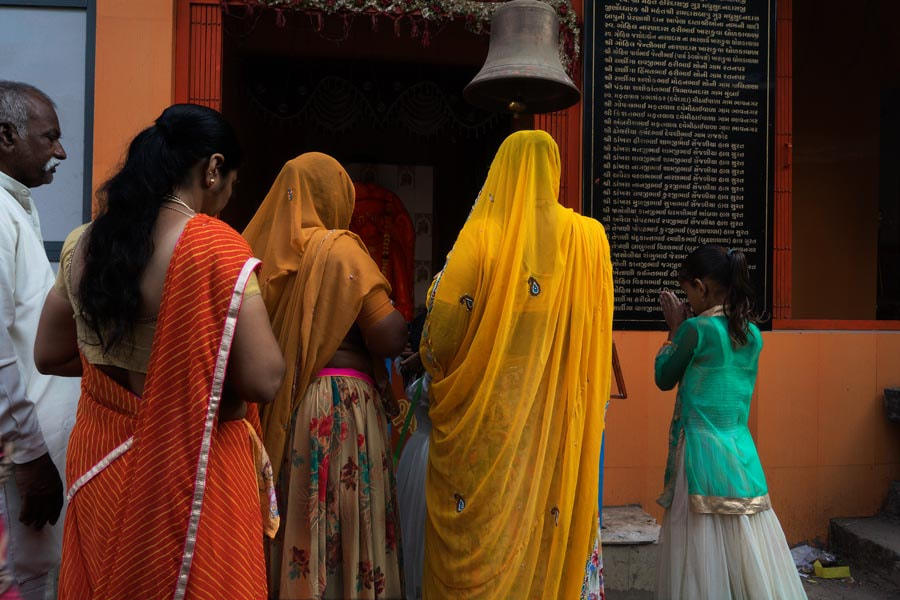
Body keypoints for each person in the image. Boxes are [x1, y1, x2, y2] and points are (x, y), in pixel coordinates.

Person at [33, 104, 285, 599]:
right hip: (192, 469)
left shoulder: (83, 243)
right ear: (213, 169)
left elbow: (49, 354)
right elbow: (263, 379)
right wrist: (185, 391)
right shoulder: (213, 246)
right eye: (232, 182)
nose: (227, 199)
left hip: (99, 462)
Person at [419, 130, 613, 599]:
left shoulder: (483, 236)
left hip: (490, 416)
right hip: (560, 410)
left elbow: (439, 333)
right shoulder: (590, 239)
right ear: (555, 172)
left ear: (499, 173)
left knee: (489, 525)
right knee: (550, 510)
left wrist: (440, 364)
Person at [243, 152, 406, 600]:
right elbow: (387, 336)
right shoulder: (340, 249)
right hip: (342, 408)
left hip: (286, 412)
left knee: (300, 516)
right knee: (350, 520)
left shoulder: (256, 253)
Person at [654, 244, 806, 599]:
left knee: (698, 546)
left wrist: (675, 329)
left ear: (701, 286)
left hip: (700, 454)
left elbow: (663, 377)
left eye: (688, 291)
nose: (687, 301)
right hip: (741, 454)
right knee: (746, 539)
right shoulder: (751, 334)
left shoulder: (697, 330)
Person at [0, 80, 80, 600]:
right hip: (21, 452)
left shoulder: (15, 206)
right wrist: (29, 456)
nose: (61, 151)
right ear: (6, 135)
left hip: (30, 446)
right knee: (27, 579)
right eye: (49, 137)